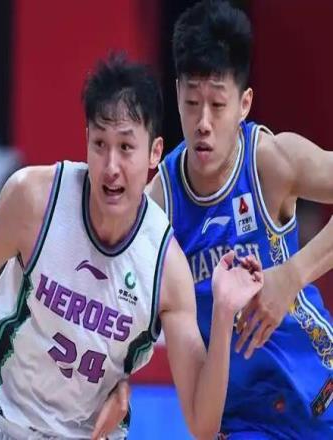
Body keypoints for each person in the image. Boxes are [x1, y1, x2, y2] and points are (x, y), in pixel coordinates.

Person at [0, 54, 262, 440]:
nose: (111, 165)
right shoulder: (35, 199)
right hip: (10, 428)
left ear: (154, 152)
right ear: (86, 142)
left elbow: (203, 424)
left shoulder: (166, 268)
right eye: (100, 144)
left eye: (126, 147)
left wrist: (223, 314)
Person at [147, 1, 333, 438]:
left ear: (244, 103)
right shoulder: (159, 206)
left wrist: (291, 275)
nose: (203, 123)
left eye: (217, 104)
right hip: (244, 420)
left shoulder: (271, 161)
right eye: (191, 103)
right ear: (176, 95)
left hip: (322, 391)